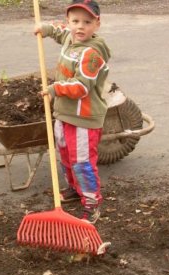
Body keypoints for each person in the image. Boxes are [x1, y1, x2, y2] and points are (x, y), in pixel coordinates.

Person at [34, 0, 111, 224]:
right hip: (64, 114)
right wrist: (46, 29)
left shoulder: (92, 54)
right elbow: (62, 34)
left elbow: (81, 87)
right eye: (75, 21)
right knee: (66, 155)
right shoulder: (71, 37)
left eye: (87, 22)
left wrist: (54, 88)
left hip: (84, 118)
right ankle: (75, 189)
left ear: (97, 24)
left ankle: (91, 202)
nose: (80, 27)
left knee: (82, 162)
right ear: (69, 22)